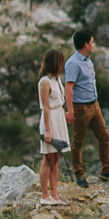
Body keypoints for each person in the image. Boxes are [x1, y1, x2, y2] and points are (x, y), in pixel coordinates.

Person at [64, 27, 109, 187]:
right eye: (92, 42)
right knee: (78, 141)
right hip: (81, 108)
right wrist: (70, 110)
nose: (94, 44)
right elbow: (68, 87)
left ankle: (106, 171)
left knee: (104, 136)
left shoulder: (88, 61)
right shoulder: (73, 63)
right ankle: (79, 175)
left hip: (94, 105)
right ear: (86, 45)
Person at [38, 47, 70, 205]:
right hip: (49, 120)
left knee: (55, 157)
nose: (62, 65)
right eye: (60, 62)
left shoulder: (57, 80)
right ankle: (44, 196)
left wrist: (64, 114)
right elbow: (45, 107)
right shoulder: (45, 82)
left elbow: (58, 102)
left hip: (58, 118)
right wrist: (48, 130)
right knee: (47, 158)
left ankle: (54, 194)